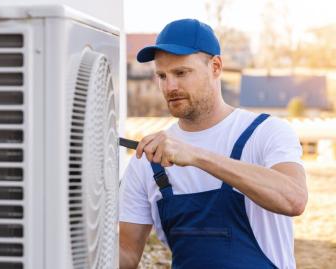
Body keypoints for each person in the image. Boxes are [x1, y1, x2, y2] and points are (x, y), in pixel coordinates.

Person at [119, 18, 308, 269]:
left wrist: (197, 156)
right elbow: (127, 254)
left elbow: (294, 199)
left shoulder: (265, 132)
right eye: (162, 76)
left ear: (216, 67)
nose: (170, 86)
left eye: (181, 73)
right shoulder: (147, 161)